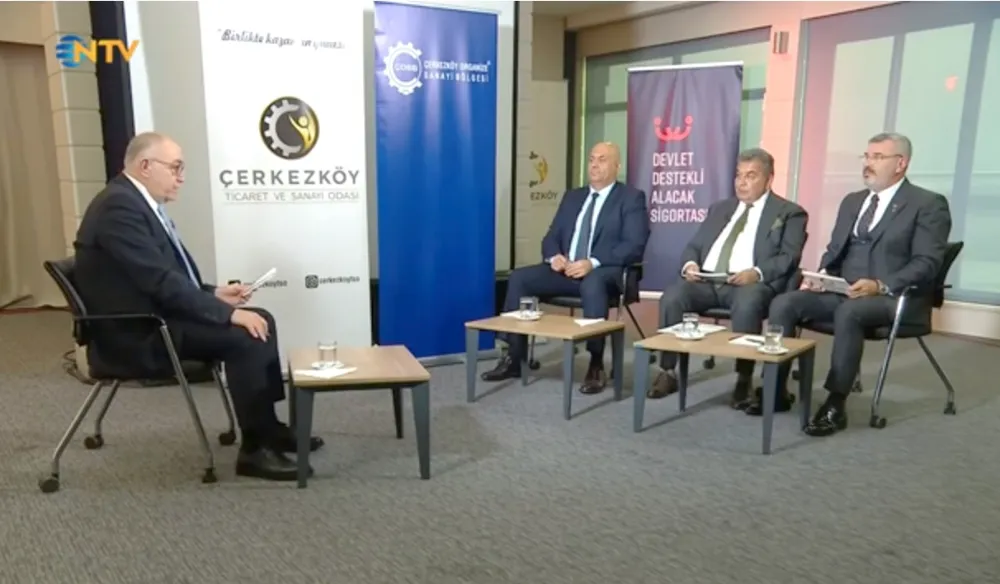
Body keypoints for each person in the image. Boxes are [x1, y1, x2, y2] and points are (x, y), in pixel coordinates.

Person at [73, 132, 324, 481]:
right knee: (245, 335)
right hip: (138, 333)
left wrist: (214, 294)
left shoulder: (134, 202)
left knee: (260, 319)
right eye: (175, 167)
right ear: (145, 166)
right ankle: (255, 451)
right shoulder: (119, 209)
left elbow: (162, 277)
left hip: (155, 316)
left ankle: (267, 427)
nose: (182, 177)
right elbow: (158, 281)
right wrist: (228, 313)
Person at [768, 132, 951, 437]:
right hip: (845, 291)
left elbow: (927, 263)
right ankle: (775, 389)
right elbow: (835, 251)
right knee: (785, 302)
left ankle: (835, 403)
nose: (868, 163)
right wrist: (822, 276)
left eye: (878, 157)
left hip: (893, 298)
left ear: (901, 163)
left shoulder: (927, 204)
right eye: (866, 156)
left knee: (850, 312)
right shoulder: (853, 201)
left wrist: (880, 284)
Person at [481, 142, 649, 394]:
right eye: (591, 159)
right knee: (520, 278)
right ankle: (514, 356)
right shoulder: (573, 197)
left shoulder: (631, 198)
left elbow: (634, 244)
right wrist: (554, 257)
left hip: (605, 273)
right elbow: (551, 237)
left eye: (602, 160)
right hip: (566, 271)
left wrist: (592, 262)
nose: (594, 165)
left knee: (593, 283)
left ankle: (595, 363)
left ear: (617, 165)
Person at [649, 148, 808, 411]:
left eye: (750, 176)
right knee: (673, 296)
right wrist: (690, 264)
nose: (741, 182)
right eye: (738, 175)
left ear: (768, 179)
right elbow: (694, 246)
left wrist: (756, 273)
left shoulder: (789, 213)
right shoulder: (720, 208)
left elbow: (789, 257)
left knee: (748, 301)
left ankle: (743, 377)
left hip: (750, 284)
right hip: (708, 282)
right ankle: (668, 370)